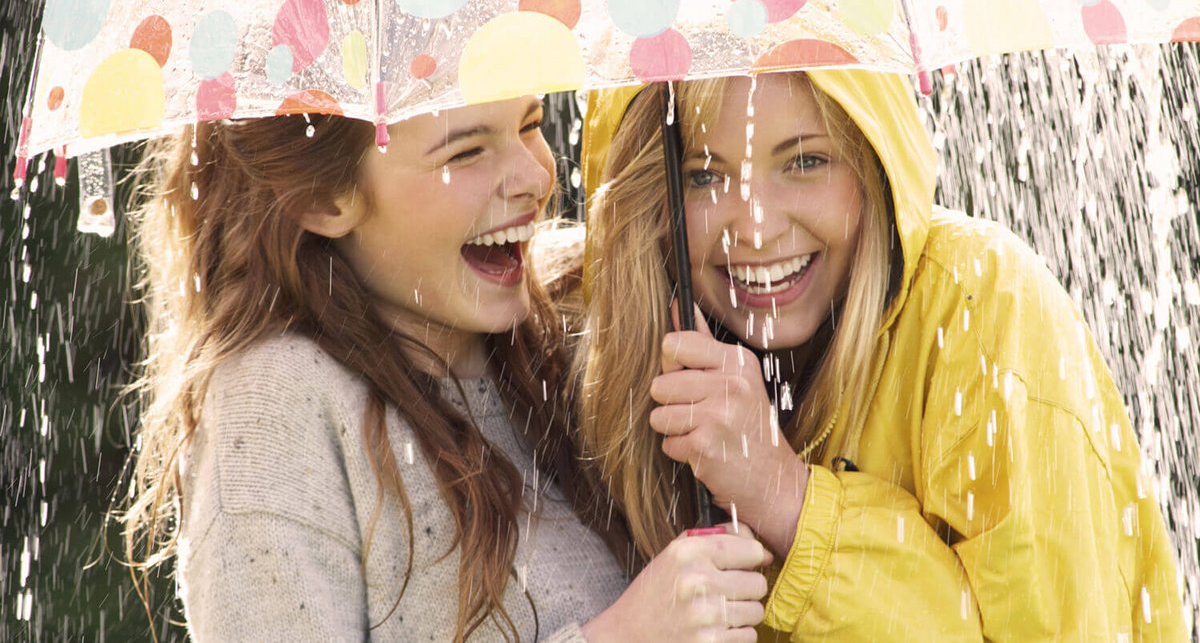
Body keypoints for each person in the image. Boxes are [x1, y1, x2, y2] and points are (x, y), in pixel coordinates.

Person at [120, 96, 772, 641]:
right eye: (466, 151)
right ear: (323, 196)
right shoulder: (276, 405)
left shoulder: (565, 345)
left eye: (531, 124)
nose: (534, 176)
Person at [575, 70, 1187, 640]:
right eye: (703, 175)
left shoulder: (984, 306)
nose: (756, 229)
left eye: (805, 161)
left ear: (872, 163)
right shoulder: (617, 363)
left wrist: (785, 495)